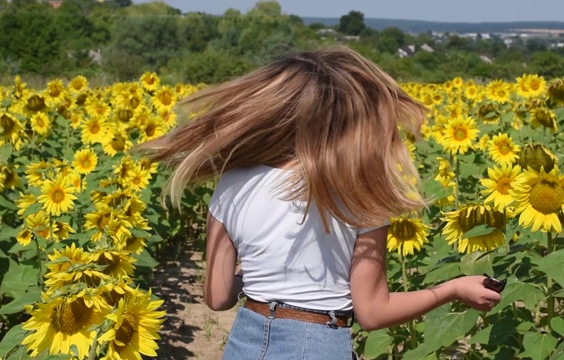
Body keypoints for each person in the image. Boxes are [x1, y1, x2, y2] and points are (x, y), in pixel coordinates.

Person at [138, 46, 502, 360]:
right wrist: (451, 288)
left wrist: (263, 270)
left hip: (246, 340)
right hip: (315, 341)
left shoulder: (232, 183)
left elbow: (217, 297)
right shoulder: (360, 191)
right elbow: (373, 312)